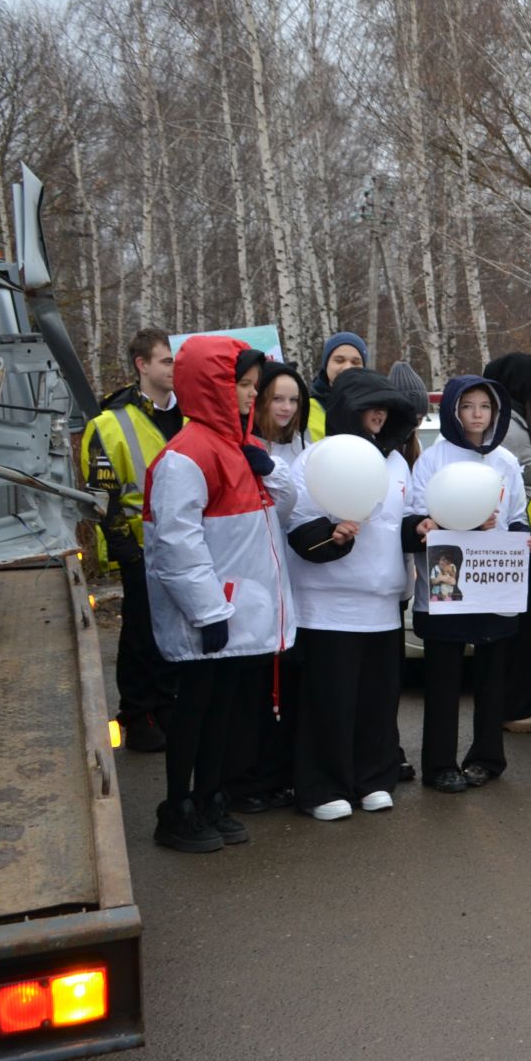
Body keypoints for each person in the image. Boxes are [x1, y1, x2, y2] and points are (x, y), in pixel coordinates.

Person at [140, 338, 294, 853]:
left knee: (222, 709)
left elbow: (285, 505)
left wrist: (268, 465)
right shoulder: (186, 456)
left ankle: (209, 796)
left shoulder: (238, 447)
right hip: (209, 612)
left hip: (236, 610)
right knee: (195, 709)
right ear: (211, 388)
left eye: (254, 386)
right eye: (243, 386)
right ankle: (176, 807)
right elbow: (175, 542)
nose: (253, 396)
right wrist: (207, 610)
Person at [287, 368, 423, 821]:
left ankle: (374, 777)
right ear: (348, 409)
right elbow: (297, 528)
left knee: (378, 703)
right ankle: (323, 786)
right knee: (331, 702)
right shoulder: (315, 460)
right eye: (370, 406)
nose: (380, 415)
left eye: (386, 407)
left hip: (383, 606)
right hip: (329, 608)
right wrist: (333, 534)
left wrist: (419, 529)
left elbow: (391, 528)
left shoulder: (397, 463)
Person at [407, 375, 531, 793]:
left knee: (492, 678)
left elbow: (516, 513)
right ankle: (439, 764)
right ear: (453, 411)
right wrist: (455, 521)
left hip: (492, 583)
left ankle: (487, 758)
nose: (477, 415)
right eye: (468, 406)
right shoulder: (434, 459)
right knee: (443, 681)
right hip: (448, 585)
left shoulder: (505, 462)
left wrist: (523, 538)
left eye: (486, 407)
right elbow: (417, 516)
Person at [81, 327, 185, 752]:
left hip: (186, 545)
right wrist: (126, 551)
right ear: (142, 365)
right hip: (140, 548)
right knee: (142, 633)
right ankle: (137, 712)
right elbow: (100, 495)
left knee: (176, 632)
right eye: (166, 361)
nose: (174, 368)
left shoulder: (191, 415)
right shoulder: (110, 422)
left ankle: (166, 705)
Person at [222, 359, 313, 814]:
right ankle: (245, 778)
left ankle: (280, 773)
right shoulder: (244, 447)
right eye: (276, 397)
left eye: (293, 399)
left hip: (301, 580)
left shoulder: (306, 449)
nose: (285, 406)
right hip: (256, 580)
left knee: (287, 685)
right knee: (254, 687)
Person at [481, 352, 531, 735]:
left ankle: (524, 701)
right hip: (508, 539)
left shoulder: (517, 422)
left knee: (527, 624)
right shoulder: (507, 427)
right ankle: (512, 706)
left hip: (520, 537)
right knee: (519, 625)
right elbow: (508, 485)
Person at [307, 331, 368, 441]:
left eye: (356, 362)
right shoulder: (305, 409)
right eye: (339, 360)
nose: (348, 367)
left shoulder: (375, 408)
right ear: (326, 365)